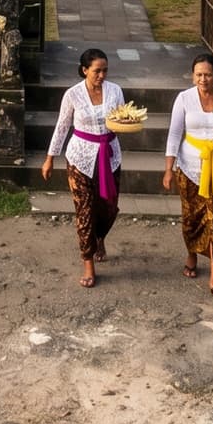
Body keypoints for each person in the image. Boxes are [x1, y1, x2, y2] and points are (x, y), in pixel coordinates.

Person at [41, 47, 125, 288]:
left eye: (105, 71)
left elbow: (121, 118)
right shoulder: (73, 95)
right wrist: (50, 158)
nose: (101, 75)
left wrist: (124, 123)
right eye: (97, 71)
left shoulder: (115, 91)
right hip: (80, 157)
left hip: (109, 155)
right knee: (85, 210)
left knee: (108, 206)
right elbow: (62, 126)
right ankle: (88, 262)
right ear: (84, 70)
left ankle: (100, 237)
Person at [164, 53, 213, 300]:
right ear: (192, 75)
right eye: (198, 74)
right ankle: (192, 254)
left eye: (207, 74)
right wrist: (168, 168)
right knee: (191, 218)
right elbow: (175, 134)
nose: (203, 79)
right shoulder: (184, 99)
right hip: (189, 167)